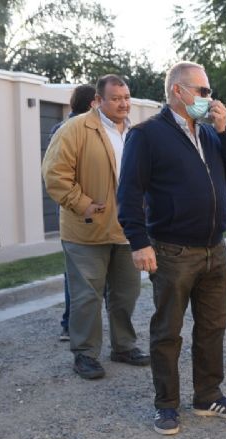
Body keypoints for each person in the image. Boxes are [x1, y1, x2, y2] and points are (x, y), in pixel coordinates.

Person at [117, 61, 226, 435]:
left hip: (215, 248)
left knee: (212, 326)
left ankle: (208, 395)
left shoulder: (210, 134)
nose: (210, 98)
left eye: (209, 92)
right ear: (179, 91)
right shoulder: (147, 135)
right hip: (173, 250)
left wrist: (224, 131)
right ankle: (166, 405)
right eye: (204, 91)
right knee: (167, 331)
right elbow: (129, 193)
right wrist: (139, 242)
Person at [42, 75, 149, 381]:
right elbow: (54, 174)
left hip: (127, 230)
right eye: (116, 98)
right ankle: (85, 354)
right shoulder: (75, 129)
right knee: (87, 296)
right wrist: (82, 203)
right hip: (86, 230)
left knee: (126, 293)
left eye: (126, 97)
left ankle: (124, 346)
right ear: (98, 101)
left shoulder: (136, 133)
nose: (123, 103)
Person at [49, 84, 97, 342]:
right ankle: (72, 324)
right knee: (79, 272)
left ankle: (73, 324)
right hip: (79, 212)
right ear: (93, 104)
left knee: (78, 272)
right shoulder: (69, 130)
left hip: (87, 211)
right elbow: (60, 175)